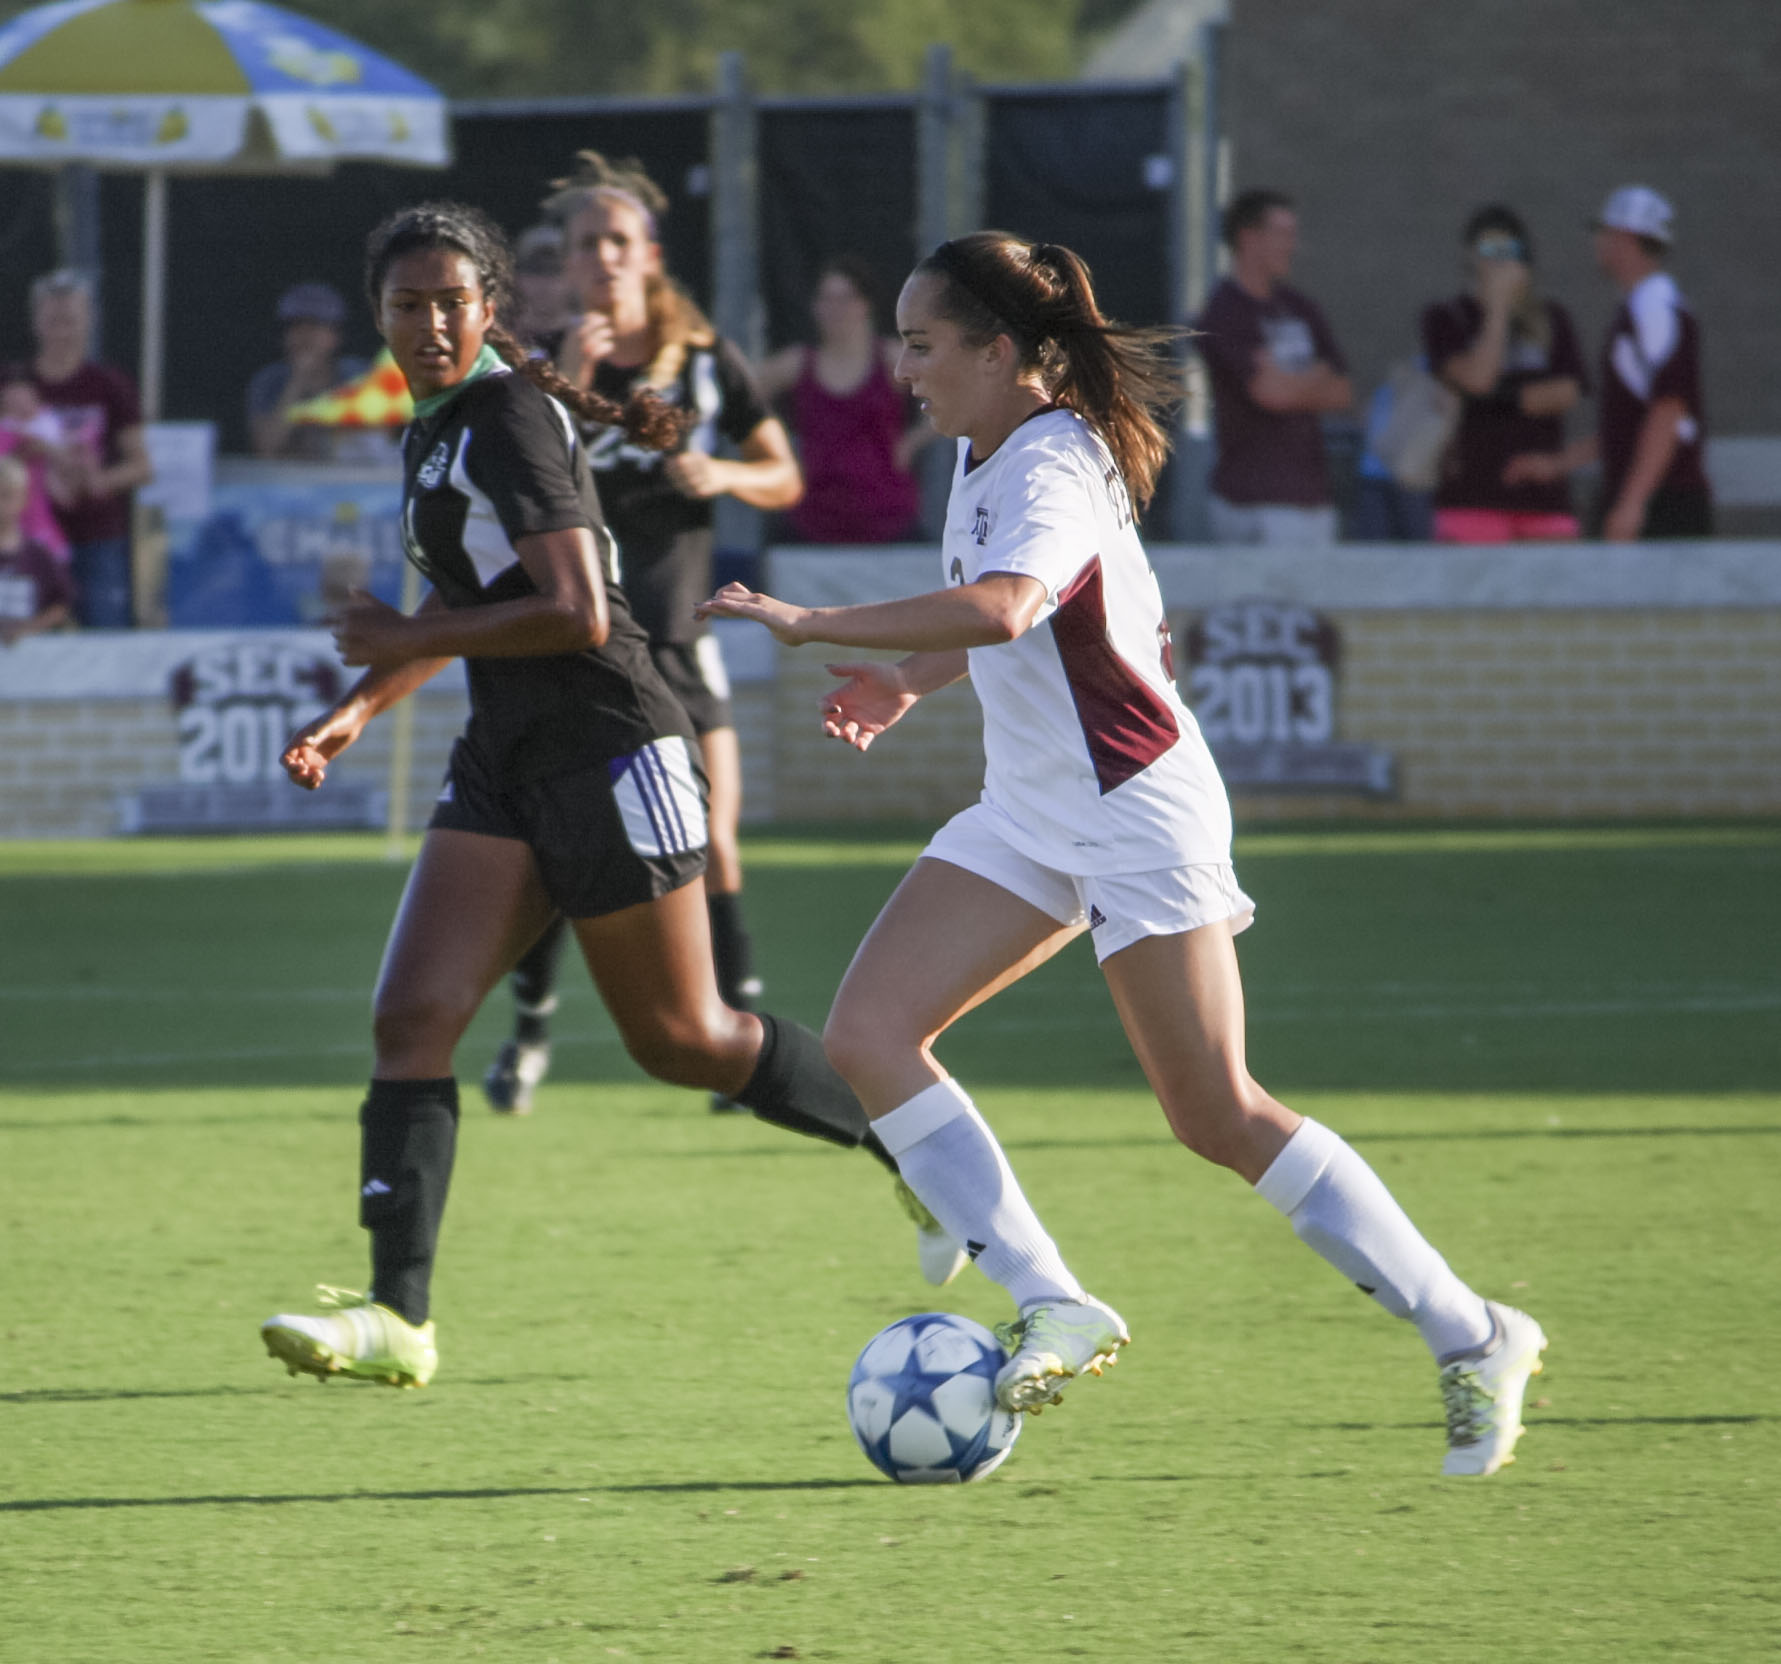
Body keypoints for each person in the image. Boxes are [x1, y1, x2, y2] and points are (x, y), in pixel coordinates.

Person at [699, 230, 1547, 1477]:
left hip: (1136, 808)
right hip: (1033, 806)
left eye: (925, 344)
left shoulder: (1046, 458)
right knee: (871, 1034)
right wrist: (905, 679)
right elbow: (1010, 620)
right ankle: (1051, 1296)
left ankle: (1474, 1332)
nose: (904, 368)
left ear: (1000, 352)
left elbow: (1006, 604)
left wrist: (811, 621)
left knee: (1214, 1110)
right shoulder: (987, 445)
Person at [257, 202, 902, 1391]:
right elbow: (473, 608)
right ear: (380, 314)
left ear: (491, 306)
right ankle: (399, 1315)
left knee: (684, 1040)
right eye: (410, 303)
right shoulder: (440, 425)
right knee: (412, 1016)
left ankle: (916, 1144)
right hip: (507, 757)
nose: (433, 321)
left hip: (611, 744)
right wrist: (353, 710)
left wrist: (411, 630)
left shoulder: (503, 414)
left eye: (454, 300)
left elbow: (577, 611)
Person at [481, 153, 803, 1117]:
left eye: (620, 243)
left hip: (674, 639)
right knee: (556, 855)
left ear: (649, 256)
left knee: (715, 838)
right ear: (567, 263)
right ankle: (531, 1030)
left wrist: (726, 479)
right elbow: (510, 490)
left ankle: (738, 1048)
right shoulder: (532, 368)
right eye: (588, 245)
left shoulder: (700, 362)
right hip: (572, 648)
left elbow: (782, 473)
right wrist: (564, 383)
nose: (606, 259)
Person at [1505, 186, 1711, 540]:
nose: (1598, 243)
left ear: (1626, 239)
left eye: (1605, 233)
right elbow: (1631, 423)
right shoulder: (1640, 310)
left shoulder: (1656, 309)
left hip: (1664, 503)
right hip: (1648, 499)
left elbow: (1667, 411)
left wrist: (1632, 503)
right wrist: (1559, 464)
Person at [1194, 190, 1353, 545]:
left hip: (1312, 497)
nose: (1292, 245)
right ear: (1248, 237)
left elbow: (1343, 391)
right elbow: (1268, 395)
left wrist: (1287, 380)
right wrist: (1315, 377)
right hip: (1252, 500)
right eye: (1282, 234)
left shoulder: (1300, 308)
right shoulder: (1224, 311)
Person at [1422, 206, 1587, 542]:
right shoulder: (1445, 318)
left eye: (1508, 251)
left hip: (1544, 500)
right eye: (1489, 251)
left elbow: (1567, 392)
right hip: (1472, 496)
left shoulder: (1552, 318)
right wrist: (1496, 308)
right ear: (1471, 256)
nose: (1499, 262)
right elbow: (1477, 377)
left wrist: (1496, 399)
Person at [756, 256, 927, 543]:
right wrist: (777, 443)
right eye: (827, 299)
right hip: (812, 520)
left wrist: (911, 442)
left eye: (846, 299)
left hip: (888, 520)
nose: (836, 310)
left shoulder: (891, 359)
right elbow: (742, 390)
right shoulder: (798, 364)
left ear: (865, 304)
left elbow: (955, 387)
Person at [20, 269, 152, 628]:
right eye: (53, 320)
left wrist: (99, 481)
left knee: (106, 639)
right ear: (36, 322)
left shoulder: (109, 385)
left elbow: (141, 466)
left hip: (97, 536)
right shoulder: (17, 385)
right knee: (23, 644)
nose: (62, 331)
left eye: (71, 320)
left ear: (89, 321)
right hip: (30, 541)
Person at [246, 283, 371, 462]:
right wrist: (297, 380)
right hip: (288, 483)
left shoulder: (358, 375)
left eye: (316, 326)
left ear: (336, 335)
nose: (305, 335)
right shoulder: (269, 380)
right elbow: (266, 450)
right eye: (296, 326)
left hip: (346, 480)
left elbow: (374, 447)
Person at [0, 369, 79, 561]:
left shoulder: (46, 433)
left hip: (38, 529)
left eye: (25, 395)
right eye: (12, 396)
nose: (19, 403)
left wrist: (52, 451)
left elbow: (66, 496)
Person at [0, 454, 75, 645]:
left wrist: (30, 629)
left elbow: (61, 603)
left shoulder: (37, 554)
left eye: (7, 495)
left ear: (23, 499)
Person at [508, 224, 572, 353]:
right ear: (517, 277)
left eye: (554, 270)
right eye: (535, 269)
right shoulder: (503, 337)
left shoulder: (583, 335)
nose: (545, 282)